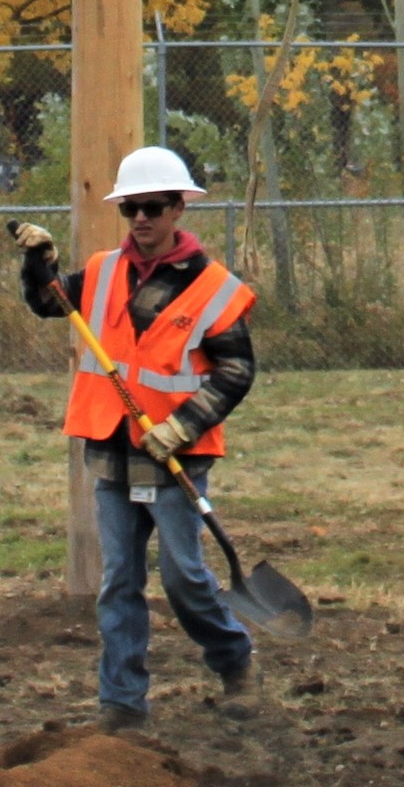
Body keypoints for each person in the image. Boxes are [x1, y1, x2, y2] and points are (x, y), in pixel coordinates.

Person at [17, 145, 258, 727]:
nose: (141, 219)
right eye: (131, 209)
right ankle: (120, 703)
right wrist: (38, 263)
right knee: (118, 581)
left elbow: (236, 370)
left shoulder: (215, 289)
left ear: (179, 208)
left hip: (176, 459)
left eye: (152, 207)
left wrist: (182, 426)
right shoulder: (102, 273)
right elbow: (48, 304)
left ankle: (234, 657)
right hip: (111, 451)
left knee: (184, 578)